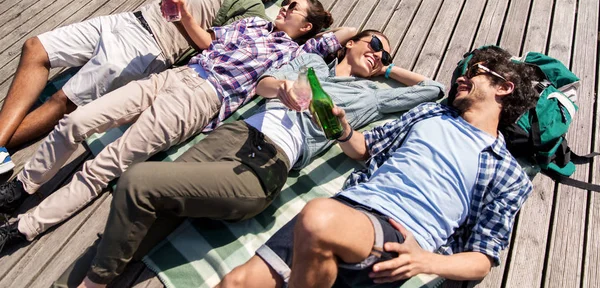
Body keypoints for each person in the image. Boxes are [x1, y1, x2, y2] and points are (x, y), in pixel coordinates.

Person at [54, 29, 444, 288]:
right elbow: (262, 84)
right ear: (351, 43)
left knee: (137, 182)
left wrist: (388, 69)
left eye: (384, 54)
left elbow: (433, 90)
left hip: (267, 164)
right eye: (373, 44)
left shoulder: (370, 96)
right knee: (153, 212)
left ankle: (94, 282)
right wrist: (284, 89)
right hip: (235, 135)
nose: (377, 54)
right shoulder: (308, 64)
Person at [0, 0, 353, 252]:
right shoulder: (253, 24)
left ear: (305, 27)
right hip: (175, 76)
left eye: (295, 9)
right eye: (287, 2)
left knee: (105, 164)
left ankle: (23, 228)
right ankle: (21, 188)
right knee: (75, 121)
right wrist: (183, 13)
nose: (286, 7)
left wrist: (290, 85)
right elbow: (207, 41)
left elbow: (335, 39)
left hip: (201, 99)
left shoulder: (294, 54)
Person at [218, 46, 538, 288]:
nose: (463, 77)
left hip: (395, 236)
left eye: (475, 71)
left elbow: (482, 259)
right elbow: (365, 149)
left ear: (504, 87)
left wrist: (427, 261)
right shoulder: (428, 114)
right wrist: (341, 130)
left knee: (318, 219)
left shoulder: (507, 173)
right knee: (235, 282)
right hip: (351, 208)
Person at [0, 0, 291, 173]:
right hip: (128, 19)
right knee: (35, 47)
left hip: (152, 46)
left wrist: (184, 15)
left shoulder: (253, 10)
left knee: (63, 100)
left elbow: (216, 46)